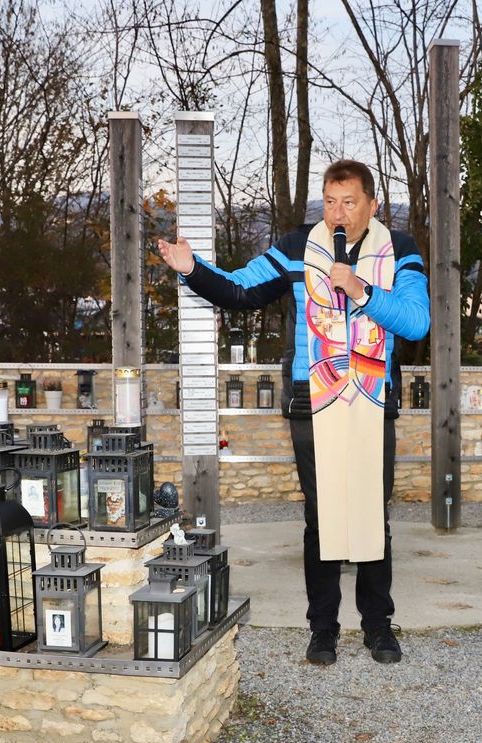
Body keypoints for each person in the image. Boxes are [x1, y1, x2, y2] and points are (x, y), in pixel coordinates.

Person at [157, 159, 430, 666]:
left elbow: (415, 323)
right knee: (320, 516)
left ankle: (378, 626)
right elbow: (241, 290)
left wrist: (362, 291)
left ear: (373, 205)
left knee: (373, 511)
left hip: (372, 396)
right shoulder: (297, 247)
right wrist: (192, 268)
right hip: (313, 396)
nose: (338, 213)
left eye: (349, 202)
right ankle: (322, 627)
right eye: (329, 202)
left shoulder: (401, 249)